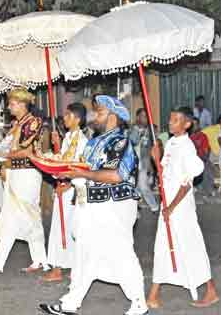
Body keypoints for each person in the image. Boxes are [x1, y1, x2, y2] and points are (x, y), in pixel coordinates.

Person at [39, 95, 148, 315]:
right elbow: (82, 166)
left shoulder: (121, 141)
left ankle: (139, 303)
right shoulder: (94, 141)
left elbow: (116, 175)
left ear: (113, 116)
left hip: (114, 206)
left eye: (99, 112)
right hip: (91, 205)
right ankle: (70, 303)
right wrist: (60, 167)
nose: (94, 116)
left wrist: (80, 172)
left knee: (120, 252)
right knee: (84, 253)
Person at [147, 106, 219, 309]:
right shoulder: (171, 142)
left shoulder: (187, 147)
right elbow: (165, 173)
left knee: (191, 246)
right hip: (167, 204)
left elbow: (186, 184)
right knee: (162, 246)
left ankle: (211, 290)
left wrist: (171, 208)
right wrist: (156, 158)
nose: (170, 123)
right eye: (170, 119)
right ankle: (153, 293)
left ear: (187, 124)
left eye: (176, 120)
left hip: (180, 207)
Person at [0, 88, 48, 274]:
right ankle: (38, 260)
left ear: (22, 104)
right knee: (21, 217)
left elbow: (26, 151)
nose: (9, 107)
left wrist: (2, 155)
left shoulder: (33, 122)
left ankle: (1, 262)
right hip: (16, 172)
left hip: (28, 173)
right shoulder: (17, 124)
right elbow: (3, 146)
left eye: (12, 104)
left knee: (20, 216)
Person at [41, 102, 89, 283]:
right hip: (63, 187)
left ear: (77, 119)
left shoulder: (83, 141)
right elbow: (63, 160)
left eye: (68, 115)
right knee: (61, 227)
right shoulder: (68, 137)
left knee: (70, 229)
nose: (65, 118)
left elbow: (81, 166)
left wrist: (67, 184)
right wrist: (57, 145)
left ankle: (60, 268)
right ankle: (62, 265)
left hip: (74, 190)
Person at [129, 108, 159, 212]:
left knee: (143, 185)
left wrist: (152, 165)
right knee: (135, 186)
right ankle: (135, 208)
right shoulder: (132, 129)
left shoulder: (150, 131)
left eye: (147, 116)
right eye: (143, 116)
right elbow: (133, 141)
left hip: (144, 163)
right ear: (138, 117)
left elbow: (151, 148)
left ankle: (154, 206)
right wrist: (137, 131)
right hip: (133, 163)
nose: (146, 118)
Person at [190, 117, 214, 196]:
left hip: (201, 157)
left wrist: (205, 159)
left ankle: (209, 190)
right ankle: (194, 187)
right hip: (189, 159)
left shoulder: (202, 136)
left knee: (208, 167)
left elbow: (206, 150)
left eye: (196, 124)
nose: (194, 126)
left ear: (199, 125)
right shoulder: (185, 136)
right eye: (192, 125)